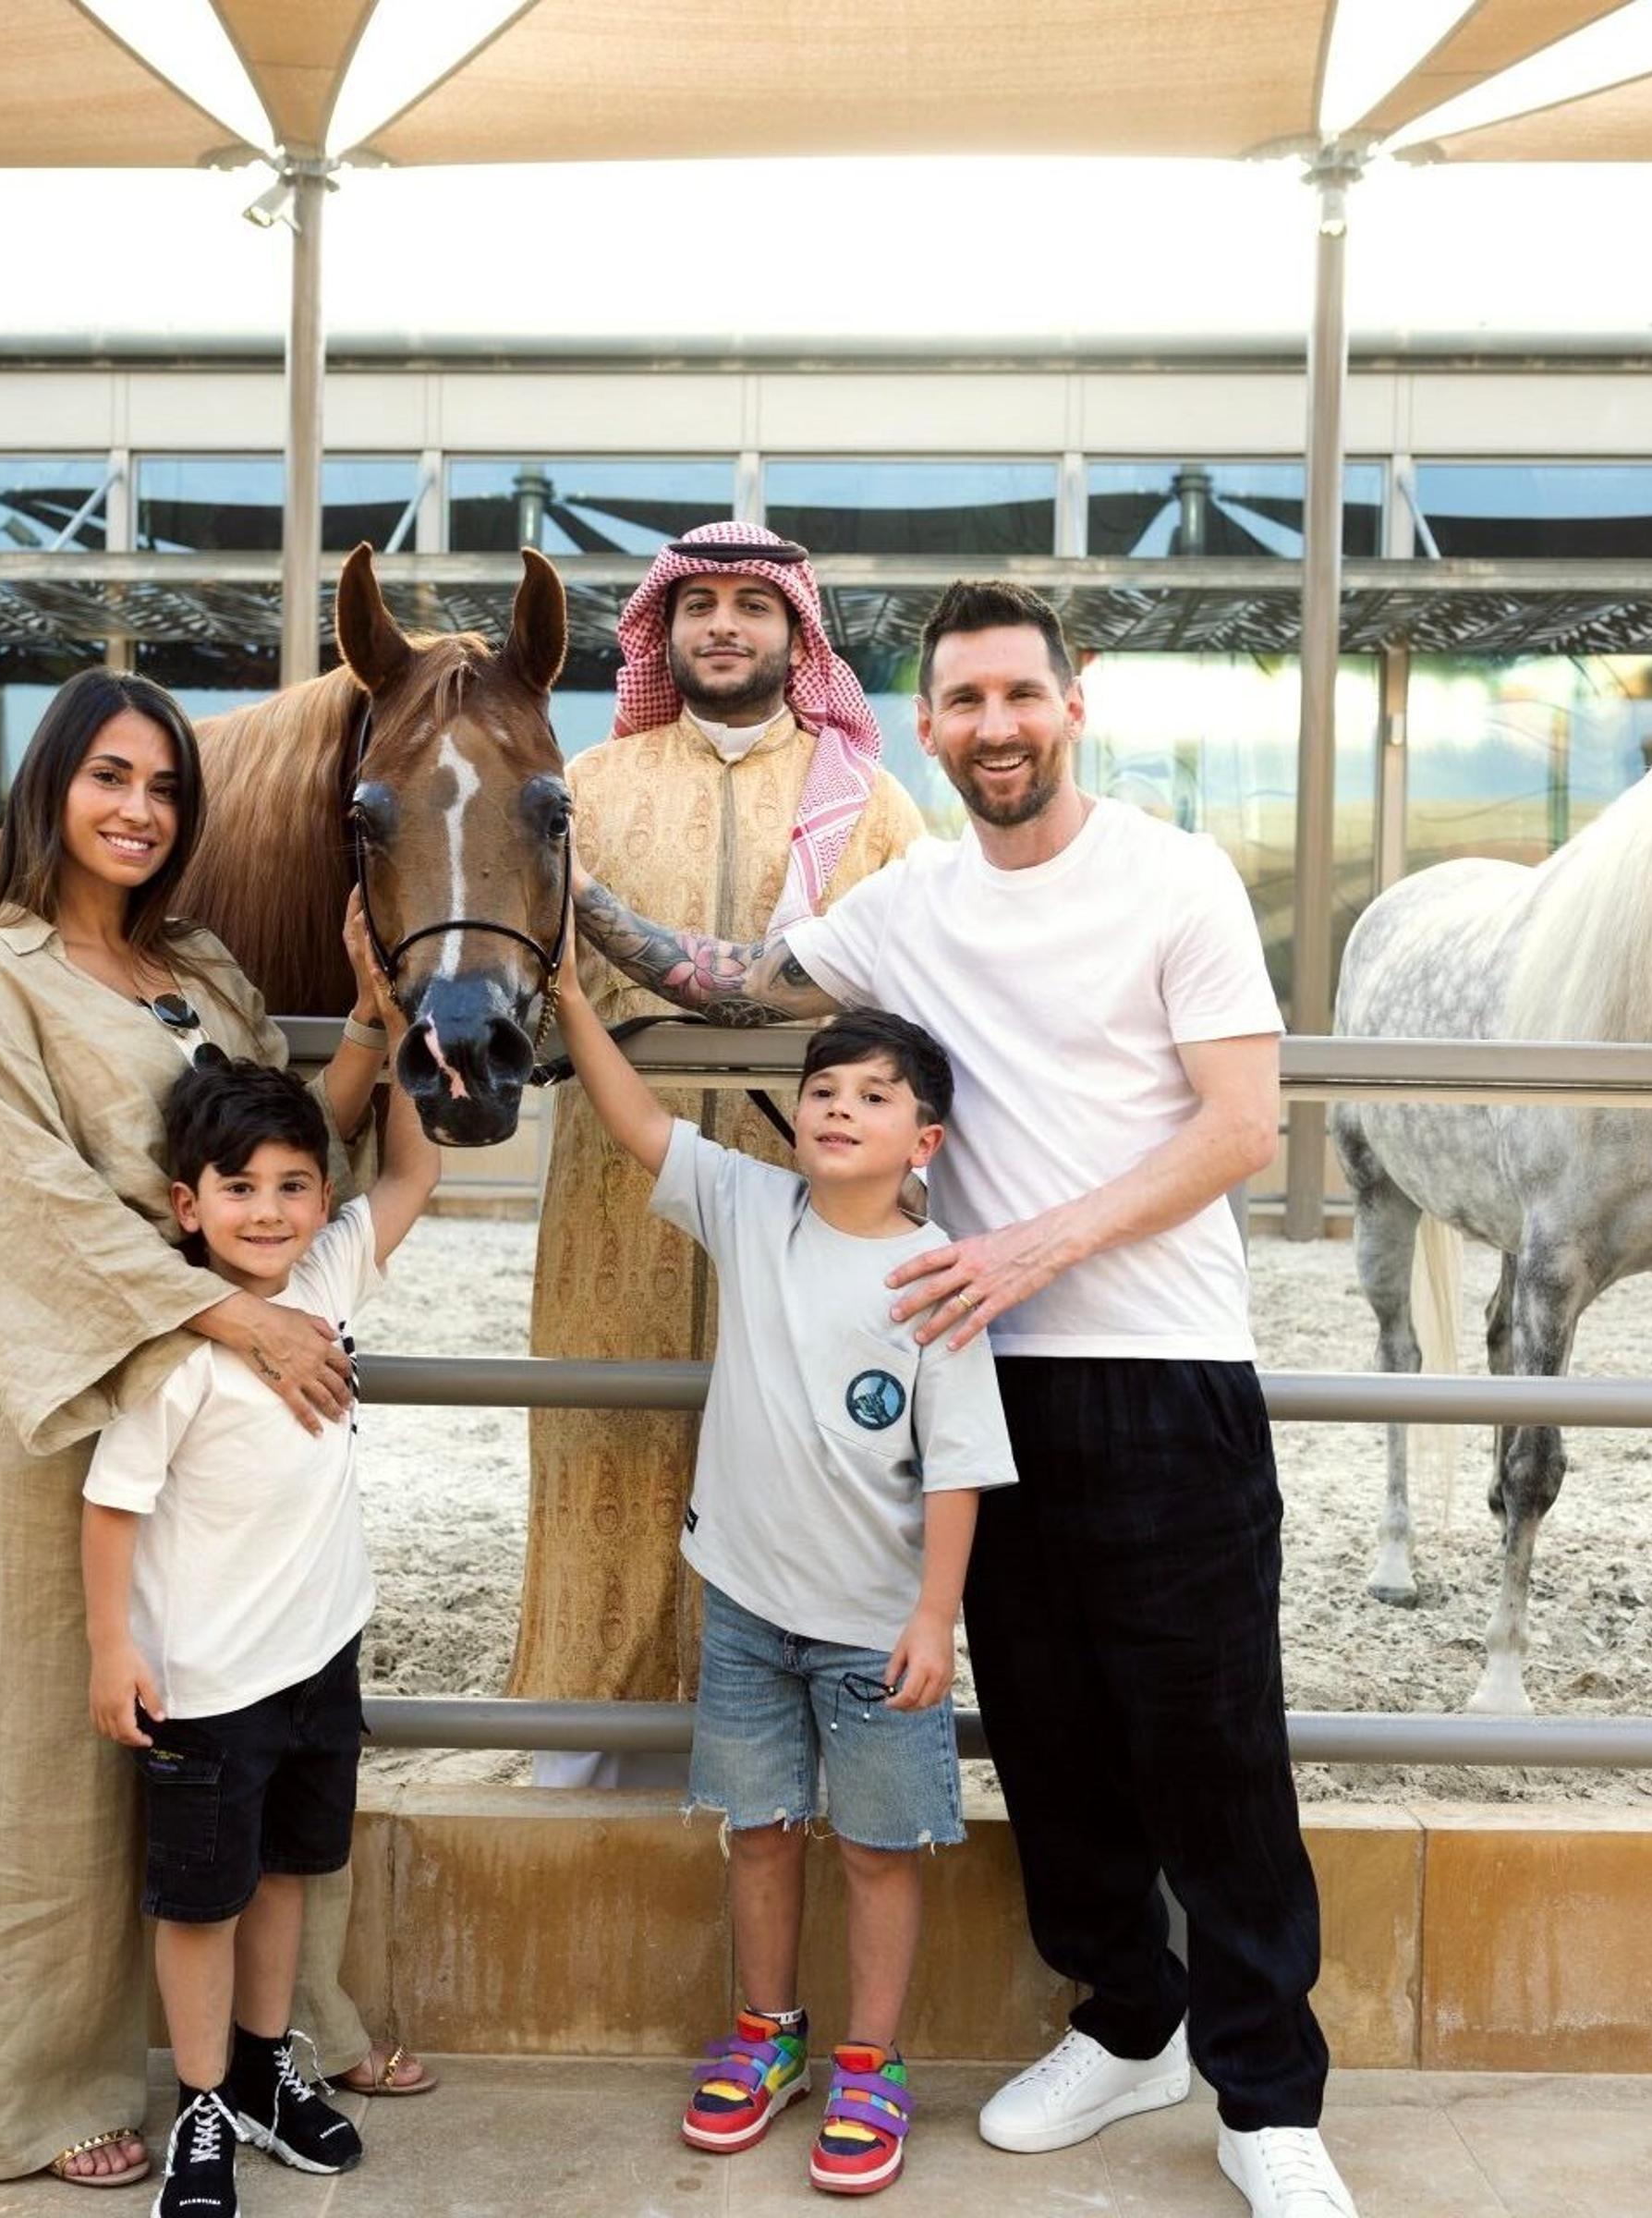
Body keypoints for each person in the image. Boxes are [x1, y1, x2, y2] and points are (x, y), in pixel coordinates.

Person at [572, 579, 1356, 2218]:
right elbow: (725, 981)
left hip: (1161, 1368)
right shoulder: (911, 901)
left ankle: (1267, 2090)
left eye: (1020, 695)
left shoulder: (1175, 877)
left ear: (1074, 707)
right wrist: (552, 896)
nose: (994, 726)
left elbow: (1240, 1128)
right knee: (1054, 1741)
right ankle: (1126, 2016)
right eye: (963, 703)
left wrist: (1026, 1246)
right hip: (980, 1386)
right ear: (923, 728)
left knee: (1209, 1740)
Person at [0, 670, 422, 2190]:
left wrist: (378, 1021)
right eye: (110, 779)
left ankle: (280, 2044)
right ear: (51, 789)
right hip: (76, 1403)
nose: (139, 811)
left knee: (270, 1727)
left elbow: (287, 1136)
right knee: (74, 1754)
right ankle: (55, 2087)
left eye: (165, 789)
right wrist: (239, 1319)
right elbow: (34, 1209)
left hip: (242, 1421)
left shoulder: (201, 965)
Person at [551, 973, 1014, 2198]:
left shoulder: (937, 1279)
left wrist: (934, 1618)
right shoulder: (753, 1209)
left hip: (877, 1628)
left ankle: (874, 2058)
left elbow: (961, 1469)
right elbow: (640, 1122)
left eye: (873, 1095)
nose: (839, 1109)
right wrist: (566, 997)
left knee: (876, 1851)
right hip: (748, 1610)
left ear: (926, 1140)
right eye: (821, 1090)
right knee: (758, 1834)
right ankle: (770, 2036)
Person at [518, 522, 928, 1785]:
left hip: (816, 1200)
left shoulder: (877, 804)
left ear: (798, 635)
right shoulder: (587, 785)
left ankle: (781, 1716)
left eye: (755, 607)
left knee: (804, 1437)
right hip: (617, 1185)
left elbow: (914, 1011)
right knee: (604, 1420)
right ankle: (580, 1720)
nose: (725, 628)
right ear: (661, 631)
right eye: (699, 607)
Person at [83, 1035, 440, 2218]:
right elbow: (110, 1506)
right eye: (238, 1188)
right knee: (202, 1901)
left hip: (319, 1656)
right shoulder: (180, 1354)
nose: (269, 1211)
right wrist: (111, 1651)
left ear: (319, 1198)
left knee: (290, 1870)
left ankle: (259, 2064)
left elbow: (413, 1181)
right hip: (204, 1681)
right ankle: (197, 2104)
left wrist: (404, 1051)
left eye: (293, 1185)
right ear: (187, 1206)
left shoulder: (330, 1282)